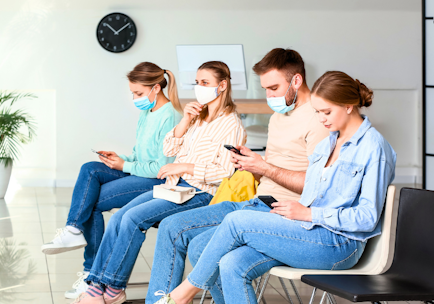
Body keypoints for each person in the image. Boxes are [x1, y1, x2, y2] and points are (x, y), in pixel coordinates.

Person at [153, 70, 397, 304]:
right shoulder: (329, 142)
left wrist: (309, 213)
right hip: (308, 229)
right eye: (317, 112)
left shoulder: (374, 148)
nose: (321, 119)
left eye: (326, 112)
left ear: (348, 105)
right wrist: (294, 210)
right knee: (231, 264)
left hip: (338, 244)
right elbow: (314, 195)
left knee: (237, 221)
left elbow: (367, 218)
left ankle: (182, 295)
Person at [145, 48, 330, 304]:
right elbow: (279, 165)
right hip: (258, 200)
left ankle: (176, 297)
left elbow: (317, 185)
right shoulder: (278, 116)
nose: (269, 96)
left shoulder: (320, 119)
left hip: (284, 211)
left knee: (201, 246)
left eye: (274, 87)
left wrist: (264, 168)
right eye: (265, 88)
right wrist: (253, 162)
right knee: (173, 227)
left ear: (296, 80)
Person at [72, 61, 247, 304]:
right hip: (177, 186)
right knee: (122, 214)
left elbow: (225, 172)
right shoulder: (198, 117)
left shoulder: (231, 125)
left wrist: (184, 166)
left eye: (205, 83)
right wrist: (185, 121)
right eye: (197, 82)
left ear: (223, 85)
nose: (200, 88)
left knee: (133, 219)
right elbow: (169, 147)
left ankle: (111, 287)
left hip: (201, 193)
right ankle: (100, 286)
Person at [41, 62, 183, 299]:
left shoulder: (170, 117)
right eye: (133, 93)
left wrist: (124, 166)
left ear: (156, 88)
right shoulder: (147, 113)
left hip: (156, 182)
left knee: (92, 201)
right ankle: (73, 228)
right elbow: (140, 156)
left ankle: (90, 275)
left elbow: (162, 167)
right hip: (138, 172)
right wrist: (120, 159)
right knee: (91, 168)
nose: (135, 98)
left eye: (138, 93)